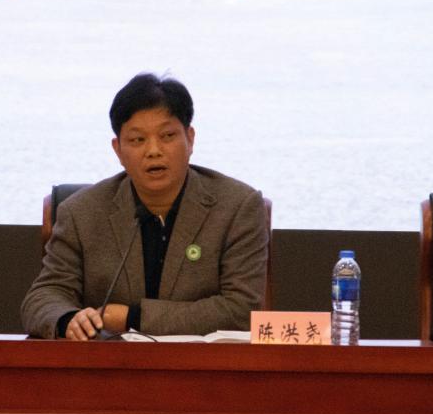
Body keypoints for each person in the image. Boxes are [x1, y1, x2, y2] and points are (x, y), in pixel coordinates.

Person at [21, 73, 268, 340]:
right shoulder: (81, 212)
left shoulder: (236, 207)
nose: (153, 150)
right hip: (111, 363)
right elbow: (44, 296)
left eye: (167, 136)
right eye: (138, 140)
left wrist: (131, 318)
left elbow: (240, 310)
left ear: (190, 139)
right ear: (118, 149)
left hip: (204, 363)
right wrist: (68, 319)